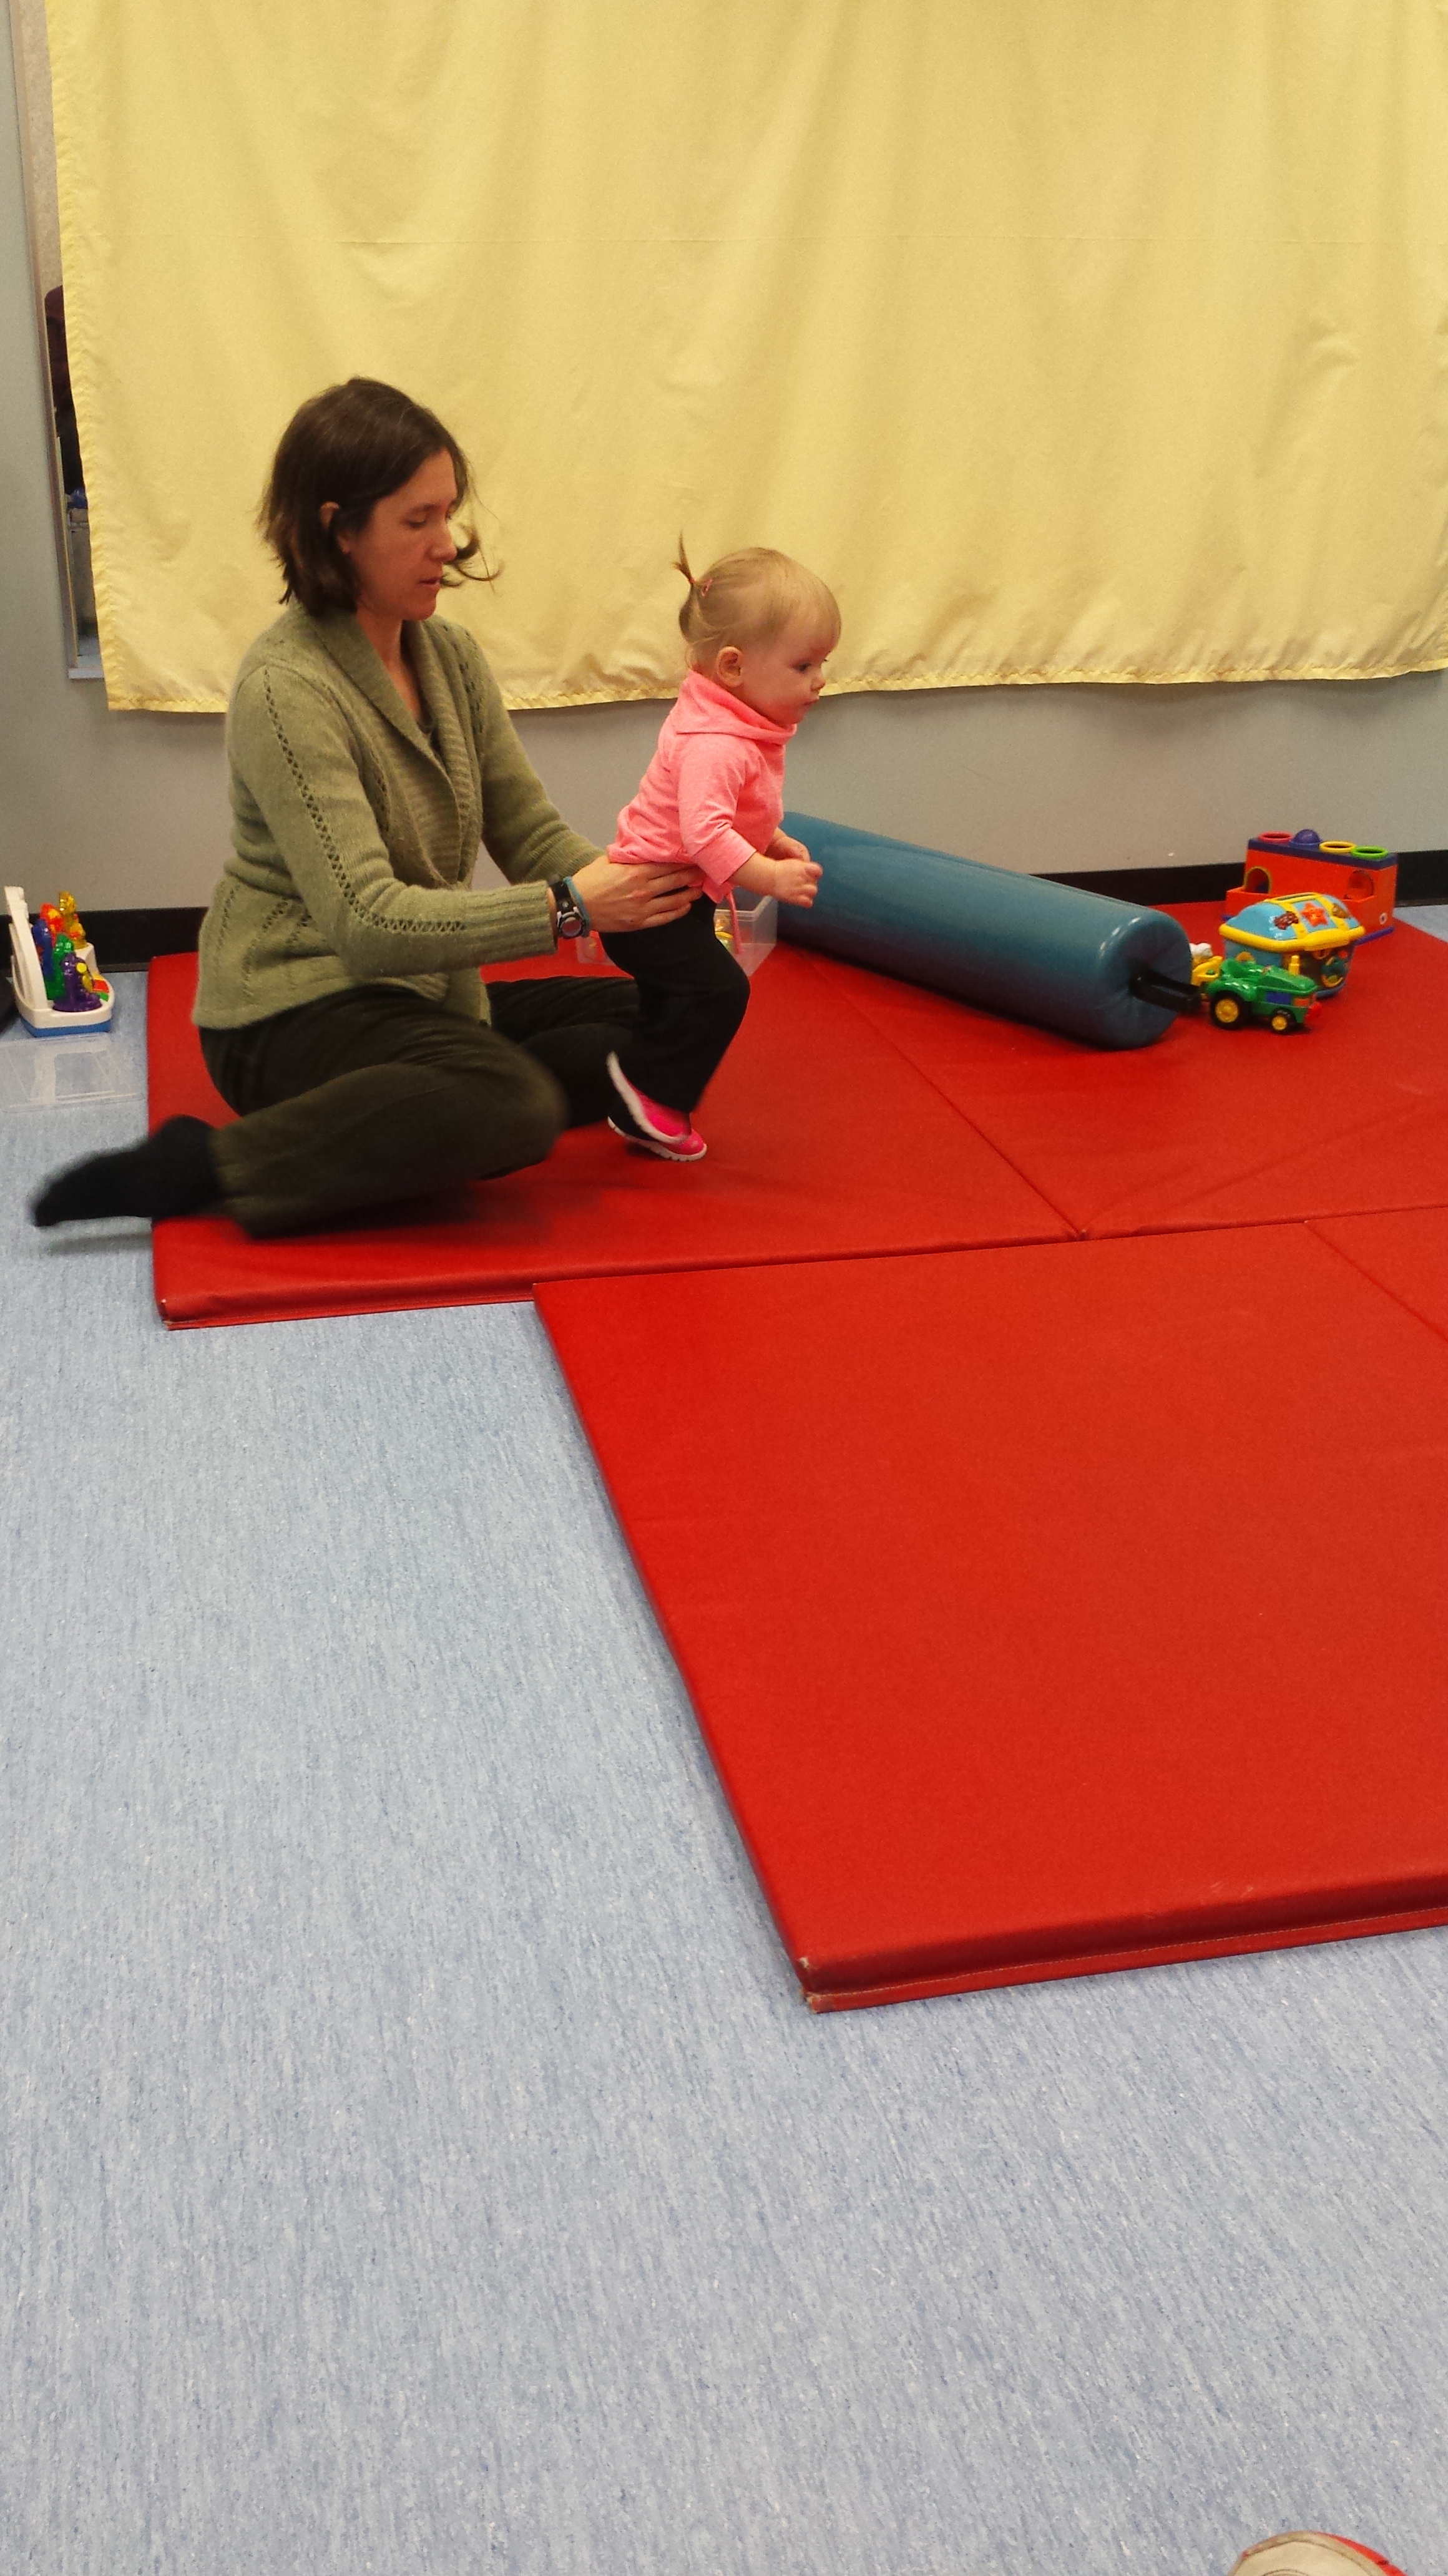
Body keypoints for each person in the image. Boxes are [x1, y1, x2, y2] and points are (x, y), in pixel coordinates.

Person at [31, 378, 700, 1238]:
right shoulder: (286, 688)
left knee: (666, 1013)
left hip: (422, 994)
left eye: (447, 514)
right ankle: (210, 1162)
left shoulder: (451, 656)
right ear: (338, 529)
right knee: (518, 1104)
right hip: (291, 1010)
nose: (446, 544)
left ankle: (438, 1095)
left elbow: (530, 833)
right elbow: (367, 924)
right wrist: (570, 909)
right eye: (417, 521)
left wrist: (663, 884)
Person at [597, 544, 837, 1161]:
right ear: (733, 666)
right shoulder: (717, 742)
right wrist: (768, 877)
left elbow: (734, 813)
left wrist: (771, 840)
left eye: (823, 663)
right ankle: (648, 1093)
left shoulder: (737, 725)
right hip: (647, 905)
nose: (820, 680)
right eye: (804, 665)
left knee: (679, 994)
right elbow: (704, 832)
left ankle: (641, 1080)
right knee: (720, 990)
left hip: (678, 896)